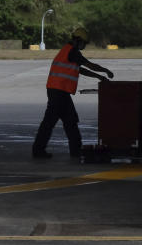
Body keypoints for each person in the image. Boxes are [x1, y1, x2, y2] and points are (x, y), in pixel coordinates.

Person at [33, 27, 114, 159]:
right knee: (51, 122)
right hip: (58, 92)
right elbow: (89, 65)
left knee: (70, 121)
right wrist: (105, 71)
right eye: (84, 43)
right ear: (78, 41)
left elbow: (80, 70)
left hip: (59, 91)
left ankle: (75, 151)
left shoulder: (68, 51)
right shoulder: (72, 52)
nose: (84, 46)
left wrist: (99, 77)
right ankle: (38, 150)